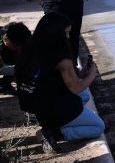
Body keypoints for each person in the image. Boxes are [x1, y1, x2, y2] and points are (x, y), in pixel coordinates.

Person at [16, 12, 105, 153]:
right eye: (66, 33)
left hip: (35, 107)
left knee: (85, 97)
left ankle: (55, 124)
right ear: (55, 33)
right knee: (98, 127)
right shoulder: (61, 57)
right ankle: (57, 131)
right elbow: (76, 88)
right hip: (53, 109)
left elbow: (50, 78)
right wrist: (93, 74)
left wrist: (80, 74)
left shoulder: (31, 48)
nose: (68, 37)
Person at [1, 22, 31, 93]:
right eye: (16, 46)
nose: (19, 49)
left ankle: (5, 85)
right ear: (5, 39)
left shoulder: (22, 38)